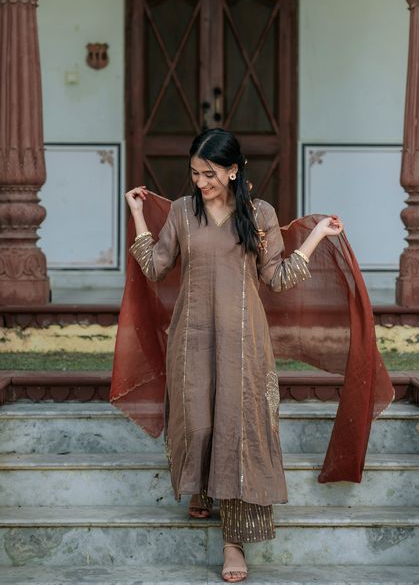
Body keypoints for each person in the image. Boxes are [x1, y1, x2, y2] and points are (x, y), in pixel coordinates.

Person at [123, 128, 344, 583]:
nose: (200, 182)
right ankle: (201, 490)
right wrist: (138, 214)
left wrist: (317, 236)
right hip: (192, 338)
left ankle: (234, 541)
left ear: (233, 170)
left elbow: (277, 278)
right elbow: (156, 267)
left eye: (209, 174)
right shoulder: (184, 212)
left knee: (236, 430)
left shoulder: (258, 214)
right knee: (198, 421)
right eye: (194, 173)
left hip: (244, 340)